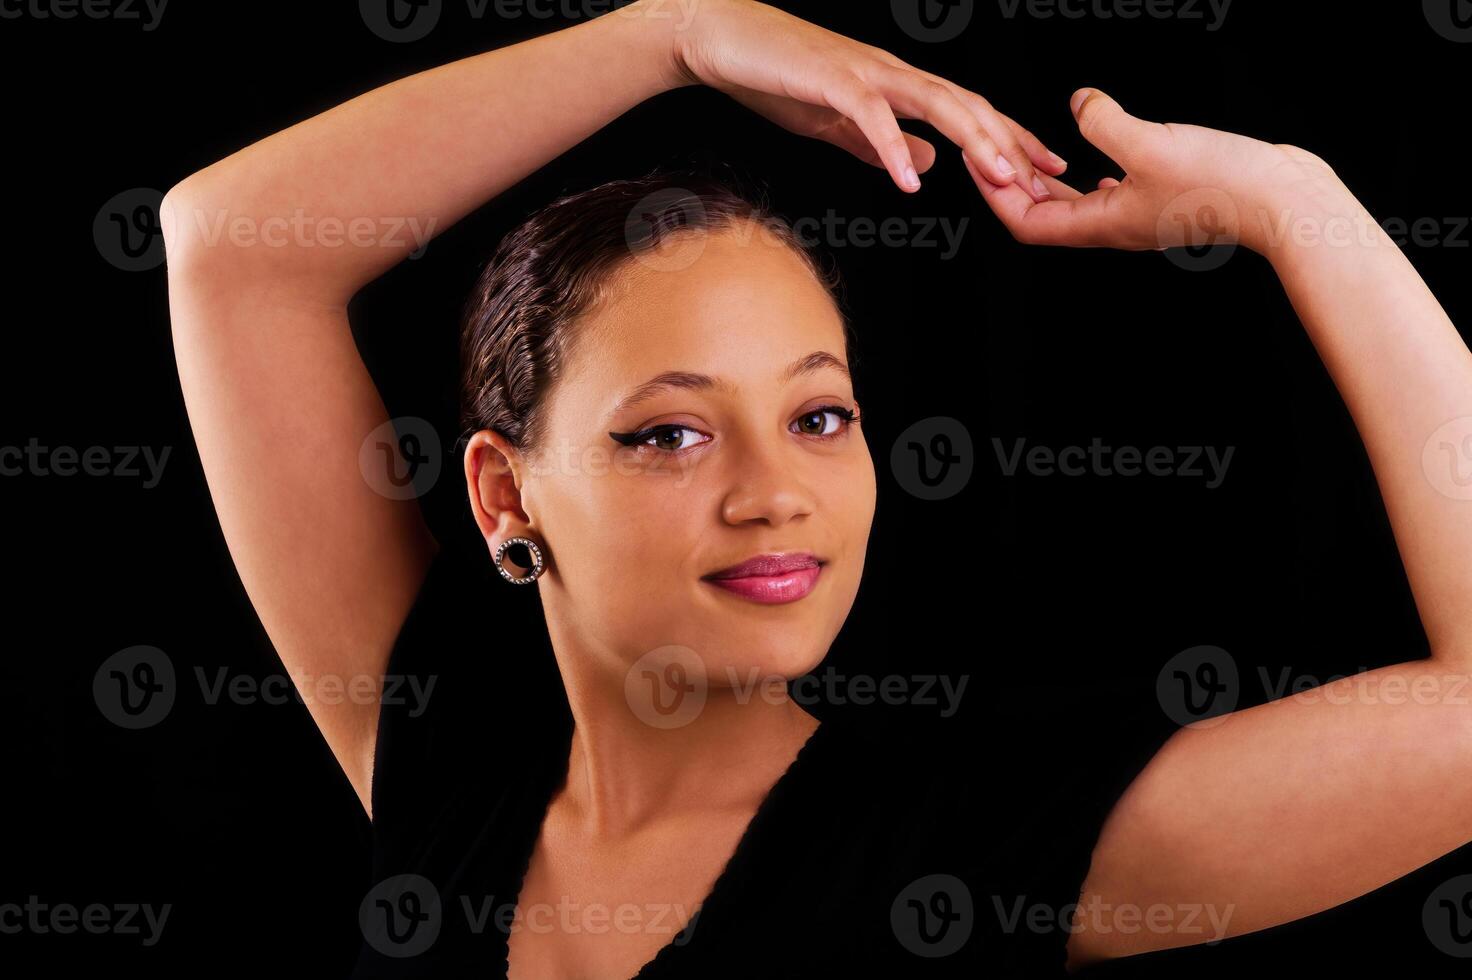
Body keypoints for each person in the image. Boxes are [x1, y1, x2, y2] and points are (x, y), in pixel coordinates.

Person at [160, 0, 1472, 975]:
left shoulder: (963, 845)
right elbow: (229, 248)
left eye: (819, 416)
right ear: (506, 496)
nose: (775, 493)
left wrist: (1303, 210)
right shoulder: (455, 761)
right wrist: (668, 34)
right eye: (672, 435)